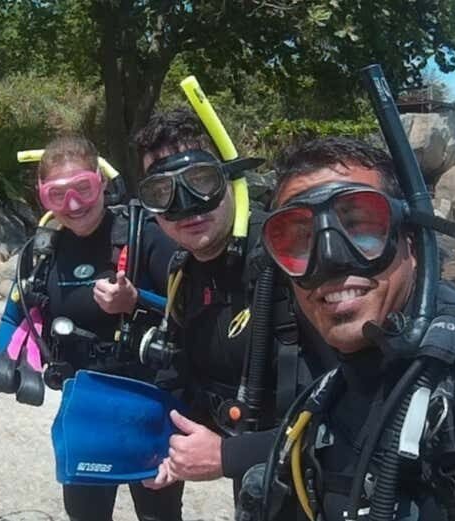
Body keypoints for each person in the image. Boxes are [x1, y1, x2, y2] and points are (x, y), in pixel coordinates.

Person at [248, 136, 455, 521]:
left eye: (360, 225)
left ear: (412, 244)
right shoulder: (325, 402)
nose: (329, 260)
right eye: (298, 240)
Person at [133, 110, 334, 493]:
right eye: (162, 193)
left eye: (200, 181)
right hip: (258, 485)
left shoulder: (291, 259)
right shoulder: (183, 273)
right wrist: (154, 447)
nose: (186, 206)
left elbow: (359, 405)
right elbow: (183, 379)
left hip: (328, 483)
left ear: (229, 177)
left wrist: (229, 456)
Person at [0, 135, 184, 521]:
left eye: (84, 188)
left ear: (101, 181)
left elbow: (192, 313)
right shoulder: (42, 251)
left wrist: (138, 302)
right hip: (84, 406)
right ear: (41, 196)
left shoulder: (144, 235)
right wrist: (5, 363)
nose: (74, 204)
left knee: (159, 515)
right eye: (57, 195)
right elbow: (16, 314)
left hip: (149, 402)